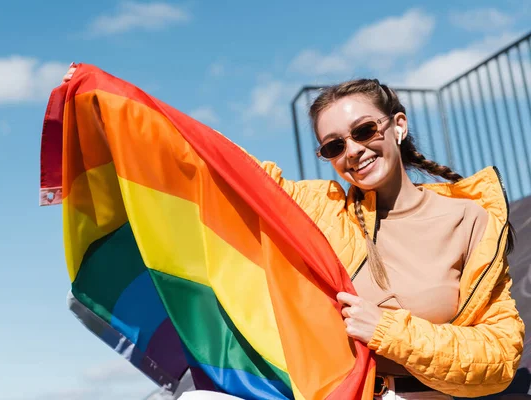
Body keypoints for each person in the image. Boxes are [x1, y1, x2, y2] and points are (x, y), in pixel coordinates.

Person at [182, 79, 524, 400]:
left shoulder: (469, 220)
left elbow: (500, 355)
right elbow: (234, 172)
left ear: (399, 126)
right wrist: (140, 120)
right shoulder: (324, 209)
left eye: (364, 131)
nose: (353, 150)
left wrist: (386, 330)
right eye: (334, 146)